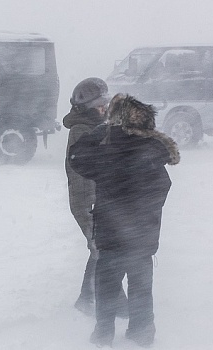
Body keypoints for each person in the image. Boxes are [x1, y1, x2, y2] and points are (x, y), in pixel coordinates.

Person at [69, 93, 180, 347]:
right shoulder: (152, 150)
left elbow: (77, 158)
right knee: (141, 286)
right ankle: (142, 332)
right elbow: (163, 187)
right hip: (143, 237)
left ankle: (103, 335)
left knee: (107, 286)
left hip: (112, 235)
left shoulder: (108, 150)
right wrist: (144, 214)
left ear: (115, 121)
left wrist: (100, 131)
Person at [63, 77, 128, 317]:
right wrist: (90, 206)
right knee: (104, 252)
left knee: (101, 249)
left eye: (105, 102)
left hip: (100, 199)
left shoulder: (96, 126)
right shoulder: (82, 130)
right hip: (87, 201)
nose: (104, 107)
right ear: (87, 106)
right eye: (99, 103)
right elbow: (79, 172)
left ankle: (88, 298)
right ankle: (114, 303)